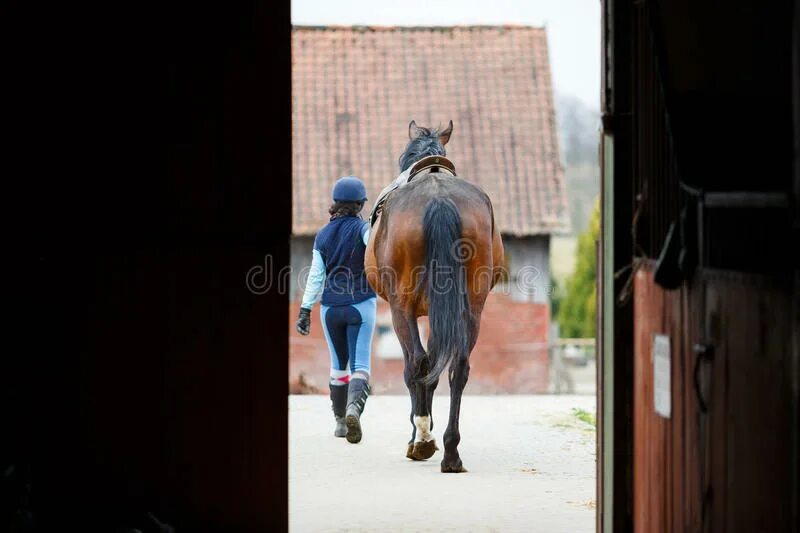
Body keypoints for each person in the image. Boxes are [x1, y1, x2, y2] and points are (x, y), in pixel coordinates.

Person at [295, 176, 377, 443]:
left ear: (336, 203)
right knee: (360, 365)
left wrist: (305, 309)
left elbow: (316, 276)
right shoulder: (364, 230)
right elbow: (376, 248)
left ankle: (340, 422)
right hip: (360, 304)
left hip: (329, 308)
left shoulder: (323, 235)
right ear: (360, 203)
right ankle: (355, 408)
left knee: (338, 367)